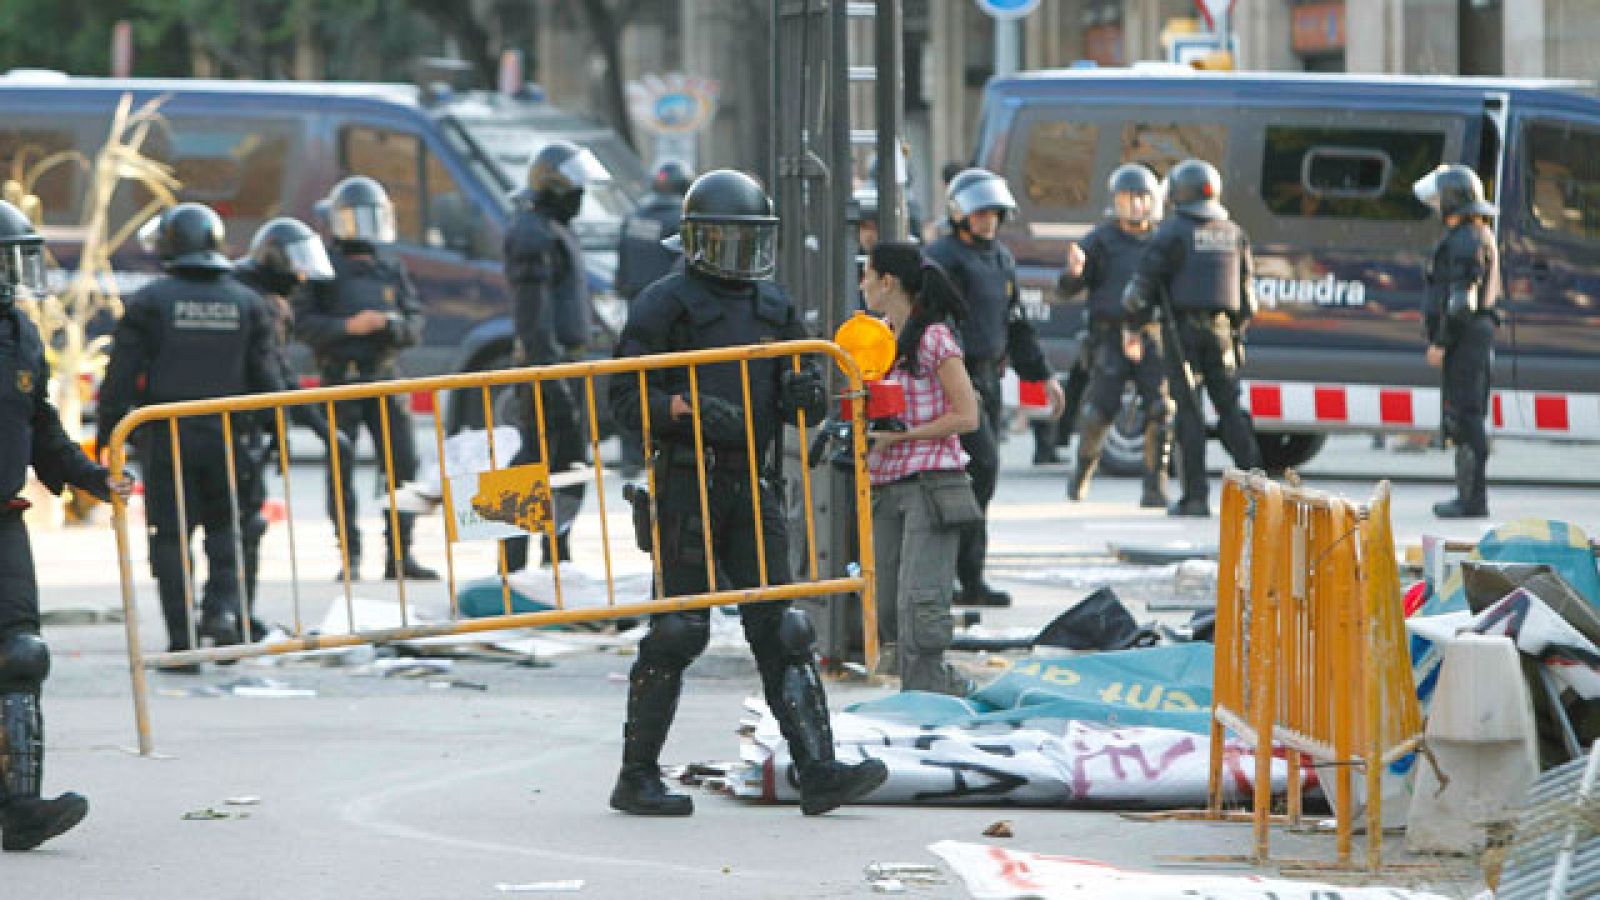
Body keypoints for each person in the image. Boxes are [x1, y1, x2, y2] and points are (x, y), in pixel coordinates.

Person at [607, 169, 887, 817]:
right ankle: (636, 774)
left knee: (782, 628)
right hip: (686, 483)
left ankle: (818, 770)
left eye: (749, 240)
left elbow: (806, 391)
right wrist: (684, 408)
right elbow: (622, 397)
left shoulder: (774, 305)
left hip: (753, 482)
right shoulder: (663, 303)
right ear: (697, 239)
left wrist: (806, 395)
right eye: (725, 240)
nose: (738, 254)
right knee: (678, 630)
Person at [0, 199, 129, 850]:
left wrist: (92, 478)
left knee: (22, 656)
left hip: (3, 519)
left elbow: (41, 425)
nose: (12, 273)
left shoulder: (20, 333)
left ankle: (21, 808)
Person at [99, 202, 283, 657]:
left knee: (170, 536)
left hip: (166, 436)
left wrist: (109, 438)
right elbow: (269, 380)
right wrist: (273, 435)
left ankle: (182, 643)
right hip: (229, 438)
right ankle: (220, 612)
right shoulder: (248, 303)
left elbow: (121, 376)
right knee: (226, 527)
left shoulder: (151, 302)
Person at [926, 168, 1062, 607]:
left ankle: (970, 577)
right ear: (960, 213)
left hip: (988, 376)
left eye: (994, 214)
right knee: (969, 470)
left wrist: (1041, 376)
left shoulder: (1001, 258)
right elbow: (935, 321)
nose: (987, 221)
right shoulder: (940, 258)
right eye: (979, 212)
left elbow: (1015, 322)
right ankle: (945, 574)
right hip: (952, 380)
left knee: (982, 476)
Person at [293, 176, 435, 581]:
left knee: (403, 466)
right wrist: (348, 328)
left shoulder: (389, 266)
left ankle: (400, 553)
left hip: (386, 377)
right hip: (342, 379)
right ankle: (349, 556)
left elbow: (415, 321)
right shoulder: (321, 265)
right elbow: (303, 324)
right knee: (341, 469)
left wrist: (390, 325)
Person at [860, 242, 980, 694]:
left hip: (933, 482)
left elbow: (967, 415)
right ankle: (923, 692)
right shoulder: (879, 337)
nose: (862, 285)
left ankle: (937, 695)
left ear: (887, 281)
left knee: (920, 606)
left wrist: (902, 436)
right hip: (887, 482)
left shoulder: (934, 339)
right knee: (889, 607)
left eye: (866, 275)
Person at [1122, 159, 1262, 517]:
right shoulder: (1234, 232)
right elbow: (1248, 299)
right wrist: (1235, 333)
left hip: (1180, 331)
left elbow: (1138, 294)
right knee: (1230, 410)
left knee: (1189, 414)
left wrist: (1133, 325)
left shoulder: (1171, 233)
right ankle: (1260, 490)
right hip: (1223, 334)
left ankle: (1195, 497)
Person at [232, 217, 346, 630]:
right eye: (295, 267)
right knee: (239, 525)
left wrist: (313, 426)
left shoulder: (251, 293)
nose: (301, 277)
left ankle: (226, 614)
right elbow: (274, 375)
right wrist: (310, 427)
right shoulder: (257, 301)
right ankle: (231, 615)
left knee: (230, 525)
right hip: (234, 428)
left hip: (231, 426)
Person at [501, 142, 608, 569]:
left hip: (564, 362)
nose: (581, 196)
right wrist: (551, 375)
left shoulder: (553, 228)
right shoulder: (534, 233)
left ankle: (553, 559)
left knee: (562, 463)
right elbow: (534, 318)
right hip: (548, 364)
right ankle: (513, 565)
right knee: (530, 464)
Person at [1059, 163, 1173, 507]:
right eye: (1128, 198)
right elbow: (1067, 288)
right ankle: (1080, 473)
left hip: (1151, 335)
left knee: (1161, 409)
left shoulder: (1163, 239)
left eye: (1142, 198)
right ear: (1116, 202)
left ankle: (1155, 487)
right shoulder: (1101, 240)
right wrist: (1073, 273)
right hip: (1109, 335)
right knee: (1099, 412)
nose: (1136, 205)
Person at [1414, 164, 1499, 519]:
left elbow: (1462, 298)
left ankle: (1472, 500)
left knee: (1467, 416)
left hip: (1465, 338)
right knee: (1465, 415)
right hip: (1471, 336)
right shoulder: (1475, 235)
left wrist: (1442, 342)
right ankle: (1468, 496)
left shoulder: (1467, 239)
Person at [614, 160, 692, 479]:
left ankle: (632, 457)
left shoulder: (633, 218)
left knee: (632, 383)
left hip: (634, 312)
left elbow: (620, 273)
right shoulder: (681, 221)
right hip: (671, 316)